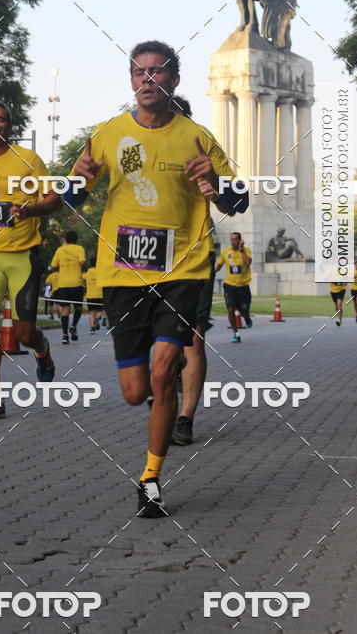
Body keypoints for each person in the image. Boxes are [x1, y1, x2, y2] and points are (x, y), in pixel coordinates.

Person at [64, 40, 248, 517]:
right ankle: (159, 412)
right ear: (131, 81)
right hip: (123, 273)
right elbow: (71, 197)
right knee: (134, 392)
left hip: (182, 270)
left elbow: (237, 201)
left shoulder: (197, 137)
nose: (148, 78)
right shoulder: (107, 135)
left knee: (166, 370)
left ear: (174, 81)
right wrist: (75, 182)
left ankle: (150, 477)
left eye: (158, 71)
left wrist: (219, 186)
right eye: (139, 72)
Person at [0, 101, 57, 419]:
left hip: (24, 255)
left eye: (3, 119)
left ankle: (42, 350)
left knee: (23, 333)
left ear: (10, 124)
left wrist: (30, 209)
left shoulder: (28, 159)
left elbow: (54, 198)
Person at [170, 95, 236, 447]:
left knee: (192, 338)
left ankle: (185, 417)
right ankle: (170, 386)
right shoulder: (136, 143)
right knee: (161, 341)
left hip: (194, 252)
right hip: (146, 256)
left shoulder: (203, 144)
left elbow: (234, 203)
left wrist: (215, 189)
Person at [215, 233, 252, 342]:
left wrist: (241, 250)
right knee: (231, 309)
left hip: (243, 286)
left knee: (244, 310)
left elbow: (248, 262)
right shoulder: (226, 252)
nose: (233, 241)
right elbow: (218, 266)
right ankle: (236, 333)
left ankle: (246, 317)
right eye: (231, 239)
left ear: (240, 241)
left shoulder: (246, 250)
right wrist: (210, 274)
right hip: (229, 286)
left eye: (235, 239)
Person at [51, 230, 86, 344]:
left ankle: (65, 335)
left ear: (66, 239)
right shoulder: (79, 248)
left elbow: (53, 266)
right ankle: (74, 326)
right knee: (78, 308)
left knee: (65, 310)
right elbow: (82, 262)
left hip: (63, 284)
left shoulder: (59, 250)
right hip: (76, 283)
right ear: (76, 239)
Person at [84, 257, 104, 334]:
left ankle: (92, 328)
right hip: (100, 295)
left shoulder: (87, 273)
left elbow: (82, 277)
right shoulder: (101, 272)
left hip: (90, 296)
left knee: (92, 313)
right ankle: (97, 319)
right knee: (101, 311)